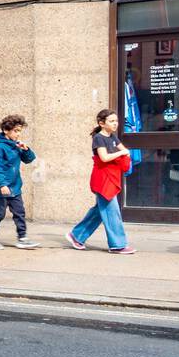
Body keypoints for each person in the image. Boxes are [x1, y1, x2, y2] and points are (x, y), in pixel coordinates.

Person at [67, 108, 134, 254]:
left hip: (110, 178)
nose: (115, 123)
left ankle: (76, 236)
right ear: (101, 123)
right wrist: (121, 152)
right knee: (112, 212)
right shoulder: (99, 138)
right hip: (103, 179)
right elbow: (104, 157)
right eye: (111, 121)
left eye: (116, 120)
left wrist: (123, 152)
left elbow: (125, 151)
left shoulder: (113, 137)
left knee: (99, 212)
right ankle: (118, 244)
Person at [0, 115, 38, 249]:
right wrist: (2, 185)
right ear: (5, 130)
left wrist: (26, 150)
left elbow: (29, 159)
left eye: (19, 131)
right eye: (15, 131)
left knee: (19, 212)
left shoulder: (16, 146)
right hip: (2, 189)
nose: (18, 134)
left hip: (15, 187)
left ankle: (22, 238)